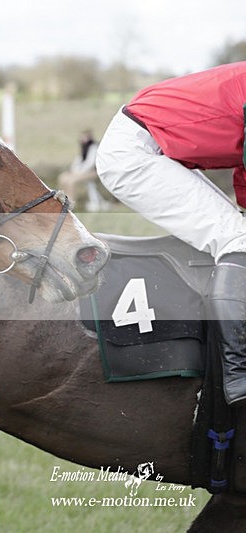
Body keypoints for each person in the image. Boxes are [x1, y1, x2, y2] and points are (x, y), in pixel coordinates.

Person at [96, 62, 246, 406]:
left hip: (154, 144)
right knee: (237, 241)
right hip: (137, 152)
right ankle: (239, 372)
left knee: (236, 235)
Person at [58, 130, 110, 212]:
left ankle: (71, 204)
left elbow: (90, 163)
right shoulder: (83, 148)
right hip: (81, 172)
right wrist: (74, 171)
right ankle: (64, 200)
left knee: (71, 181)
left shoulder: (94, 147)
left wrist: (78, 173)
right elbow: (78, 161)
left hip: (93, 172)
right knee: (63, 177)